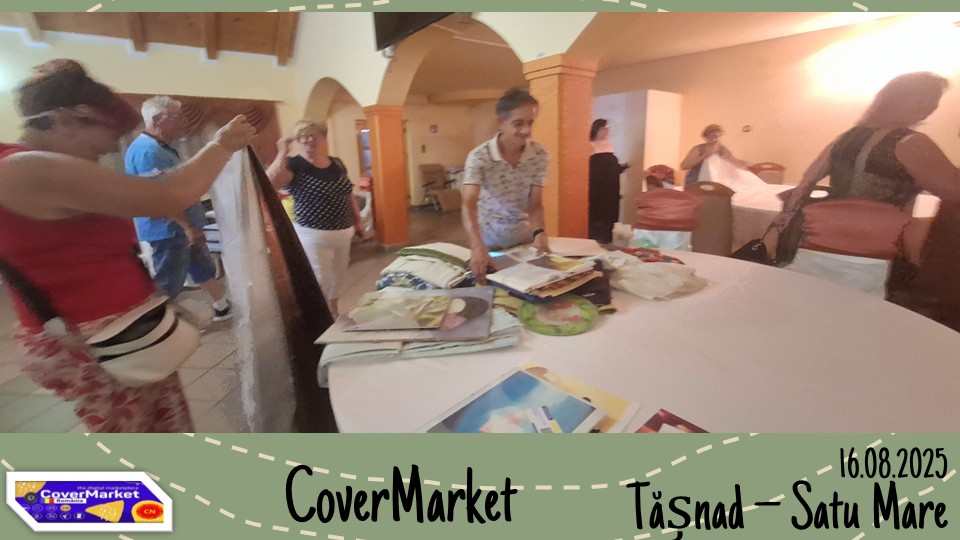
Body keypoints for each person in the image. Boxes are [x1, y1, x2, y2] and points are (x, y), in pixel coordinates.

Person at [0, 59, 255, 432]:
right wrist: (221, 145)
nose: (104, 154)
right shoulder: (23, 168)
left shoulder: (34, 166)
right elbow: (166, 195)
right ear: (69, 119)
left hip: (124, 336)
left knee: (162, 427)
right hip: (96, 342)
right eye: (103, 142)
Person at [770, 72, 960, 299]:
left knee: (818, 299)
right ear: (902, 99)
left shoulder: (847, 137)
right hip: (877, 248)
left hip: (823, 239)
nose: (932, 106)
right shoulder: (911, 143)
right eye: (927, 98)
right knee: (864, 305)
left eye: (934, 100)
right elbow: (953, 191)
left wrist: (789, 217)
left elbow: (806, 182)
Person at [126, 96, 232, 321]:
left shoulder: (160, 147)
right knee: (169, 281)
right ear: (157, 119)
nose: (182, 122)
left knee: (200, 267)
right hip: (169, 230)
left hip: (178, 226)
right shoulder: (148, 151)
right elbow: (161, 197)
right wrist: (187, 226)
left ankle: (222, 306)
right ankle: (160, 325)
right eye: (176, 117)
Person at [266, 120, 362, 318]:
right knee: (321, 278)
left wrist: (358, 219)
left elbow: (348, 193)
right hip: (312, 234)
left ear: (323, 138)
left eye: (313, 135)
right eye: (302, 137)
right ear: (298, 141)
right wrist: (282, 152)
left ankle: (333, 307)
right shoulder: (294, 164)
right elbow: (268, 182)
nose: (308, 140)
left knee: (339, 274)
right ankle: (318, 315)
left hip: (343, 232)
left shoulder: (337, 163)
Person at [462, 88, 550, 281]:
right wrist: (477, 246)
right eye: (518, 123)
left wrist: (539, 233)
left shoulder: (539, 154)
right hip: (489, 244)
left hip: (524, 243)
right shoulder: (480, 156)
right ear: (501, 122)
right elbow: (469, 204)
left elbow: (535, 205)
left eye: (530, 123)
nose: (526, 130)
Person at [588, 119, 628, 243]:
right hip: (597, 188)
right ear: (597, 129)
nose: (606, 132)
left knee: (611, 213)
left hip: (612, 187)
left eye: (607, 129)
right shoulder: (590, 145)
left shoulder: (608, 145)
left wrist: (622, 167)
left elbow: (611, 168)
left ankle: (608, 239)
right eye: (604, 129)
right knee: (598, 214)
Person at [679, 124, 749, 185]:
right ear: (706, 137)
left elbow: (732, 161)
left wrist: (743, 164)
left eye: (719, 136)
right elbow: (683, 166)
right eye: (713, 136)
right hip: (696, 180)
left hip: (718, 181)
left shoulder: (722, 149)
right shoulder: (698, 149)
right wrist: (706, 155)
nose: (716, 139)